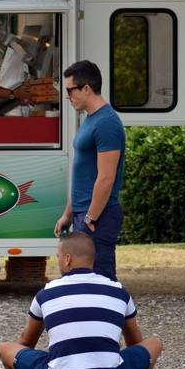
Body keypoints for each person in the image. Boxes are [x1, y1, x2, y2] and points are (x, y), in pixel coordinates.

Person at [0, 232, 163, 369]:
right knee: (154, 344)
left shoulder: (45, 294)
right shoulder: (119, 292)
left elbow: (26, 342)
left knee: (5, 348)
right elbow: (135, 343)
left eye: (58, 257)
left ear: (67, 259)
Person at [53, 60, 125, 281]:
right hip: (82, 213)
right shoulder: (90, 119)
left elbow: (106, 178)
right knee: (81, 279)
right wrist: (68, 213)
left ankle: (113, 316)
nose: (67, 96)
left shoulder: (107, 123)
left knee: (101, 280)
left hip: (98, 216)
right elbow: (83, 174)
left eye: (69, 90)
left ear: (86, 88)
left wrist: (91, 217)